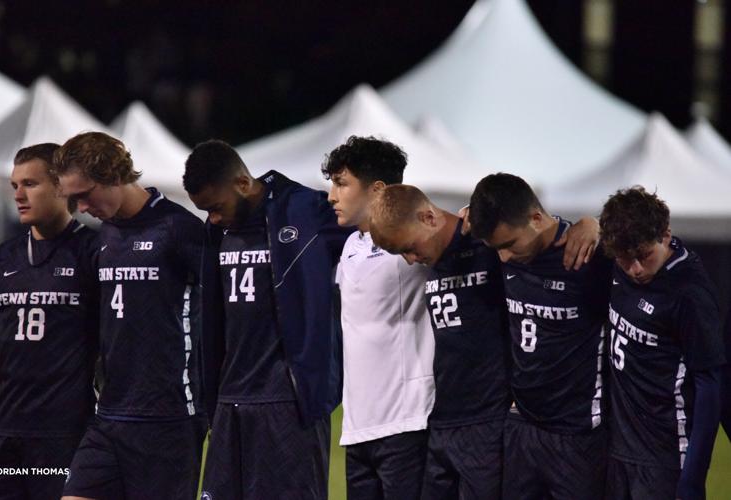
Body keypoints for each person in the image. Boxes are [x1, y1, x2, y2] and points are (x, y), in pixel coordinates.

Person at [368, 184, 599, 499]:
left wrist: (589, 224)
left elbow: (530, 225)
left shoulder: (487, 245)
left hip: (495, 421)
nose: (411, 260)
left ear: (427, 217)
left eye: (409, 247)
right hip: (443, 419)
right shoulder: (449, 248)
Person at [183, 139, 351, 499]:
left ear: (242, 183)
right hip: (230, 400)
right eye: (205, 211)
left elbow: (376, 227)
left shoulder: (306, 210)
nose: (212, 218)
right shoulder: (217, 231)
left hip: (287, 400)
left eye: (215, 207)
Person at [55, 132, 207, 500]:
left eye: (84, 194)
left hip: (169, 417)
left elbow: (221, 311)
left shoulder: (178, 228)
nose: (80, 207)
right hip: (108, 414)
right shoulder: (105, 236)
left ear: (112, 173)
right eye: (72, 199)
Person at [0, 143, 98, 499]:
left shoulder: (93, 251)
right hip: (2, 433)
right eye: (15, 185)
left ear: (61, 186)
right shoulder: (3, 257)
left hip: (67, 436)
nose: (18, 194)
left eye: (30, 184)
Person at [467, 173, 611, 500]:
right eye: (496, 248)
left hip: (577, 435)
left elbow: (655, 240)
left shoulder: (586, 255)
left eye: (508, 245)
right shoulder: (505, 245)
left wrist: (599, 224)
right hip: (522, 426)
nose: (502, 257)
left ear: (535, 218)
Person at [323, 137, 435, 499]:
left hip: (406, 423)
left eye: (341, 183)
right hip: (356, 428)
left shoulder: (417, 240)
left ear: (377, 190)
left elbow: (470, 228)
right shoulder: (349, 245)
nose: (331, 195)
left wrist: (579, 225)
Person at [599, 186, 725, 500]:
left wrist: (693, 477)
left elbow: (710, 385)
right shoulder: (616, 266)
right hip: (617, 448)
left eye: (643, 256)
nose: (635, 269)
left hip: (664, 457)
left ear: (665, 235)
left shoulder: (689, 295)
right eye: (625, 260)